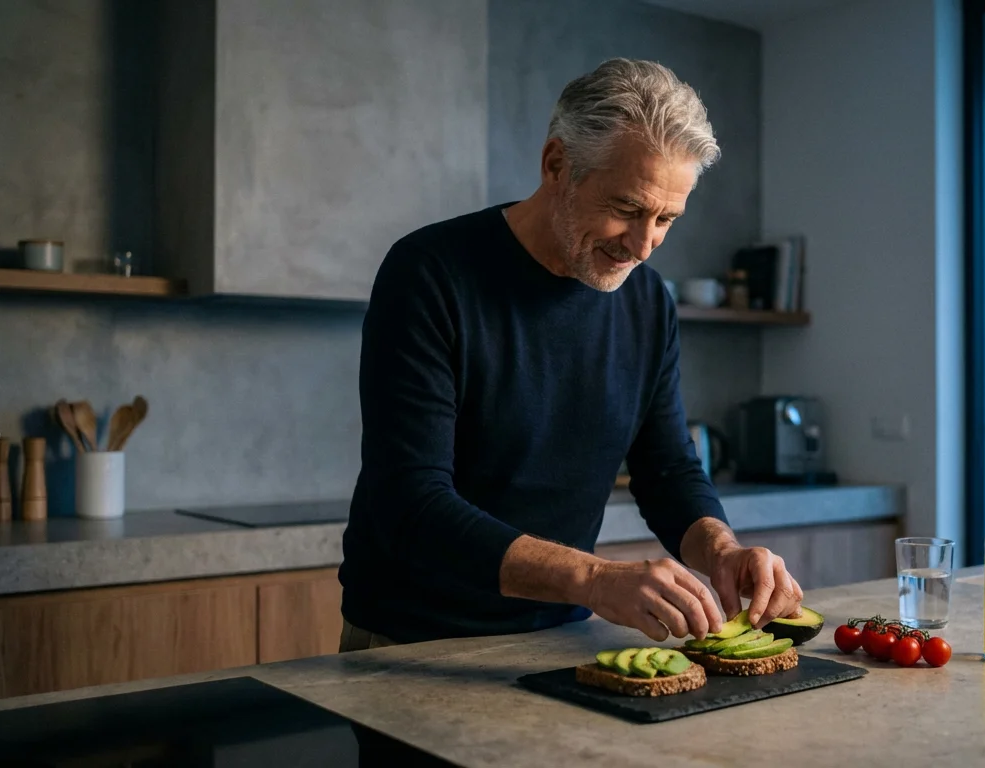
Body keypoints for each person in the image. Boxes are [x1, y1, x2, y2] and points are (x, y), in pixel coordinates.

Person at [337, 58, 804, 654]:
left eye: (667, 219)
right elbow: (410, 502)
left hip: (559, 639)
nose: (643, 245)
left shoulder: (648, 304)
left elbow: (667, 471)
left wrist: (723, 551)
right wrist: (595, 578)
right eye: (628, 209)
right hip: (409, 642)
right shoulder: (430, 273)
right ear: (556, 164)